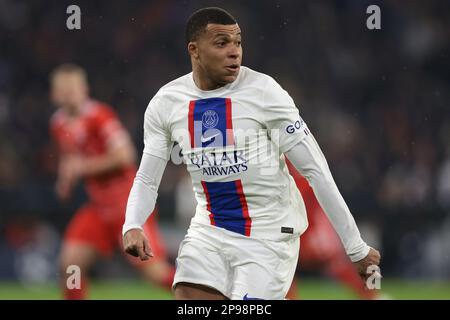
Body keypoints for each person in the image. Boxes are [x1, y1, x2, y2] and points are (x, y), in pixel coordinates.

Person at [122, 7, 381, 300]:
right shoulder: (166, 103)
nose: (234, 52)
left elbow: (315, 169)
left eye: (238, 42)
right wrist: (132, 224)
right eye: (222, 43)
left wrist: (355, 246)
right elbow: (147, 178)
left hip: (268, 233)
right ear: (194, 50)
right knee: (189, 298)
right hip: (210, 229)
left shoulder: (265, 92)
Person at [49, 64, 175, 299]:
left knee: (155, 273)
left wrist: (83, 168)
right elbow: (72, 158)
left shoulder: (99, 115)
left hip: (127, 205)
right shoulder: (58, 123)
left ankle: (206, 299)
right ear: (54, 94)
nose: (69, 95)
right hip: (99, 207)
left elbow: (125, 155)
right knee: (71, 263)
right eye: (63, 90)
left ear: (84, 89)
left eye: (73, 89)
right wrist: (65, 180)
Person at [285, 159, 379, 300]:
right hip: (295, 226)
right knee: (284, 265)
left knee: (335, 263)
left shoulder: (299, 173)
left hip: (310, 227)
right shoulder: (292, 171)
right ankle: (372, 296)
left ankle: (372, 296)